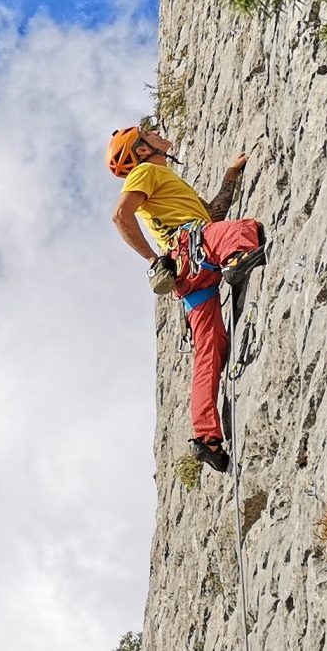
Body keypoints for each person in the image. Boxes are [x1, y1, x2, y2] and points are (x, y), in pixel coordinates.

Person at [107, 122, 263, 472]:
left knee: (211, 349)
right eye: (149, 133)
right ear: (143, 150)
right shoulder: (145, 171)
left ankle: (207, 436)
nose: (157, 132)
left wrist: (231, 176)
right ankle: (236, 262)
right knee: (245, 230)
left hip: (189, 273)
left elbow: (212, 217)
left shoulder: (167, 185)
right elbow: (120, 216)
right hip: (191, 252)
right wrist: (152, 260)